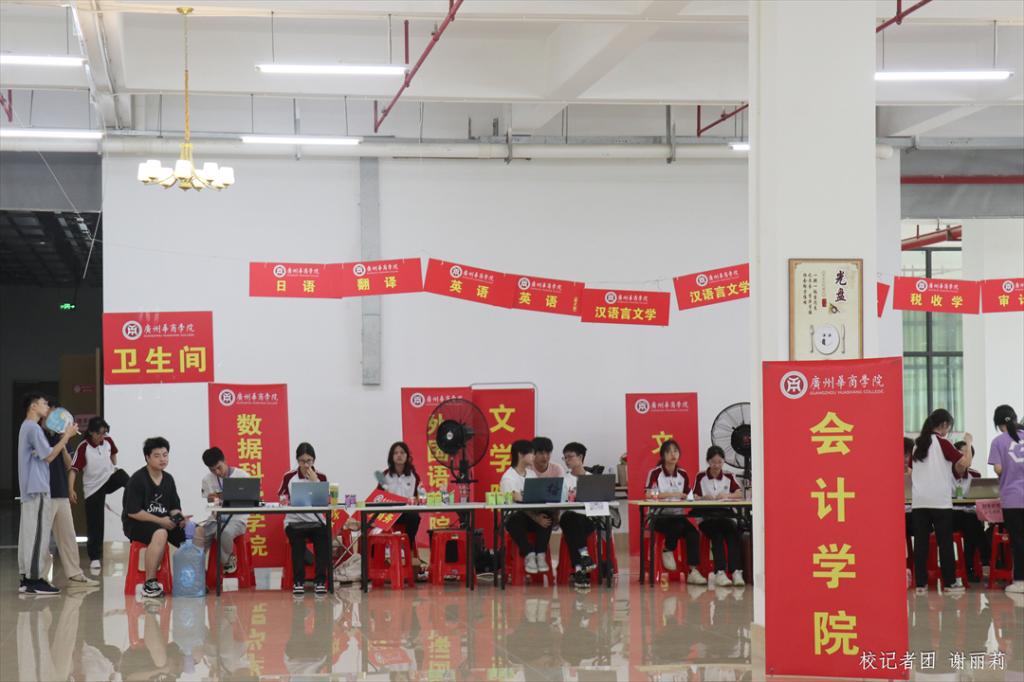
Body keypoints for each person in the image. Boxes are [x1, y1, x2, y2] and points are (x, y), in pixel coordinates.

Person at [18, 392, 78, 595]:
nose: (47, 407)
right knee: (38, 536)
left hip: (30, 489)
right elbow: (49, 456)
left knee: (29, 536)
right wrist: (67, 436)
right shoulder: (34, 428)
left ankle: (26, 578)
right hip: (37, 488)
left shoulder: (26, 427)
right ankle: (35, 581)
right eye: (44, 404)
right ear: (34, 406)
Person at [909, 409, 972, 595]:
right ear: (944, 425)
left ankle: (920, 585)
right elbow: (964, 464)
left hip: (919, 501)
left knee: (921, 543)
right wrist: (968, 443)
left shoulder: (917, 444)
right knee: (944, 543)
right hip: (939, 501)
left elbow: (912, 469)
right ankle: (949, 583)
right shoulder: (943, 442)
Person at [41, 401, 97, 587]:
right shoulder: (39, 435)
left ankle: (75, 573)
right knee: (42, 538)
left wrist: (64, 441)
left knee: (68, 536)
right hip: (44, 493)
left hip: (60, 492)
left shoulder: (60, 437)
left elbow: (69, 465)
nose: (55, 418)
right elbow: (47, 458)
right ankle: (41, 577)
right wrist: (63, 439)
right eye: (51, 413)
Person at [122, 437, 187, 598]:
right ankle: (149, 583)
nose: (162, 459)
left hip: (164, 522)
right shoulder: (137, 479)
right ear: (147, 457)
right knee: (160, 533)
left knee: (196, 532)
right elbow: (133, 512)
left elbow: (174, 508)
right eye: (157, 456)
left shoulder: (168, 479)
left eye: (165, 455)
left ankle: (191, 580)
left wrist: (180, 518)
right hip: (137, 524)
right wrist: (161, 521)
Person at [70, 416, 129, 574]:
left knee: (123, 476)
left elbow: (114, 456)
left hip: (108, 480)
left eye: (104, 433)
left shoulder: (108, 441)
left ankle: (137, 500)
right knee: (95, 524)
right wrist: (71, 489)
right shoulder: (83, 447)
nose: (102, 436)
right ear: (91, 432)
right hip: (93, 489)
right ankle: (95, 557)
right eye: (99, 433)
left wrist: (112, 465)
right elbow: (74, 470)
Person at [645, 439, 706, 585]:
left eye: (675, 451)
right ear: (663, 455)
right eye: (669, 452)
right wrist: (672, 494)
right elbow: (649, 494)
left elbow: (687, 494)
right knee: (677, 525)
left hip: (678, 515)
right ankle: (668, 549)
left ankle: (692, 571)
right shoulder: (655, 473)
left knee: (693, 533)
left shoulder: (683, 474)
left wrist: (694, 497)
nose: (673, 454)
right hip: (659, 516)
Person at [277, 442, 330, 595]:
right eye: (302, 461)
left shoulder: (321, 476)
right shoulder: (289, 476)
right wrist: (286, 501)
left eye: (309, 461)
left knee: (323, 537)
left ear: (314, 460)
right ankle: (298, 581)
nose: (306, 465)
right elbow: (282, 497)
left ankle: (320, 581)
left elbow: (326, 501)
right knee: (297, 541)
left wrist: (315, 482)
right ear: (297, 460)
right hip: (294, 521)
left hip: (316, 521)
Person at [192, 447, 250, 575]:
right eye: (212, 470)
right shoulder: (207, 480)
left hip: (237, 519)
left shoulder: (242, 476)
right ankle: (197, 573)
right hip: (215, 519)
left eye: (219, 467)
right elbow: (210, 503)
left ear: (225, 460)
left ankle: (227, 560)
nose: (217, 472)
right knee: (197, 535)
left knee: (223, 532)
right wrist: (212, 499)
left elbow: (250, 500)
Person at [693, 445, 745, 587]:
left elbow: (740, 494)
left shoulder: (729, 475)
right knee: (717, 534)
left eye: (719, 462)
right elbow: (693, 496)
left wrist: (727, 495)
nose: (716, 466)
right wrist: (703, 498)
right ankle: (719, 572)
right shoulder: (700, 476)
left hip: (725, 516)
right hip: (707, 518)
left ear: (723, 461)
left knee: (733, 532)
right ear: (708, 461)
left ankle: (736, 572)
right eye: (713, 462)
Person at [501, 439, 552, 575]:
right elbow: (519, 503)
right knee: (516, 518)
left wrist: (538, 516)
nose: (534, 457)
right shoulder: (508, 478)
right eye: (531, 453)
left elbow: (536, 498)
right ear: (520, 454)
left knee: (547, 516)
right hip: (516, 519)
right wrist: (536, 518)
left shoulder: (531, 474)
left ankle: (540, 555)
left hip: (531, 517)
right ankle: (529, 554)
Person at [988, 404, 1024, 593]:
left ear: (997, 423)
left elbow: (998, 469)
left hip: (1012, 498)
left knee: (1018, 540)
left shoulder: (998, 441)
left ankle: (1020, 581)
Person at [376, 441, 426, 571]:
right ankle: (385, 553)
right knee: (376, 521)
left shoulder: (414, 476)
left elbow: (420, 495)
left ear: (407, 456)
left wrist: (418, 498)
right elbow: (377, 497)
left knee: (415, 517)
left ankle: (406, 546)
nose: (399, 455)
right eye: (396, 453)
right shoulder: (384, 475)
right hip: (389, 513)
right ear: (391, 457)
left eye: (402, 452)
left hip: (406, 513)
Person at [558, 442, 597, 587]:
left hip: (588, 520)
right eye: (565, 458)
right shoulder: (563, 480)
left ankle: (580, 569)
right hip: (568, 519)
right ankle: (584, 559)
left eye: (570, 457)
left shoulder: (593, 479)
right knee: (571, 518)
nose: (567, 460)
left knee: (575, 523)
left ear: (580, 457)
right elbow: (560, 504)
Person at [951, 441, 986, 582]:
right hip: (952, 514)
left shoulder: (975, 474)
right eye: (961, 452)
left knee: (972, 523)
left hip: (969, 514)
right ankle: (985, 558)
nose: (964, 457)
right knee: (972, 524)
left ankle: (971, 566)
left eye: (968, 453)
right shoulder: (946, 474)